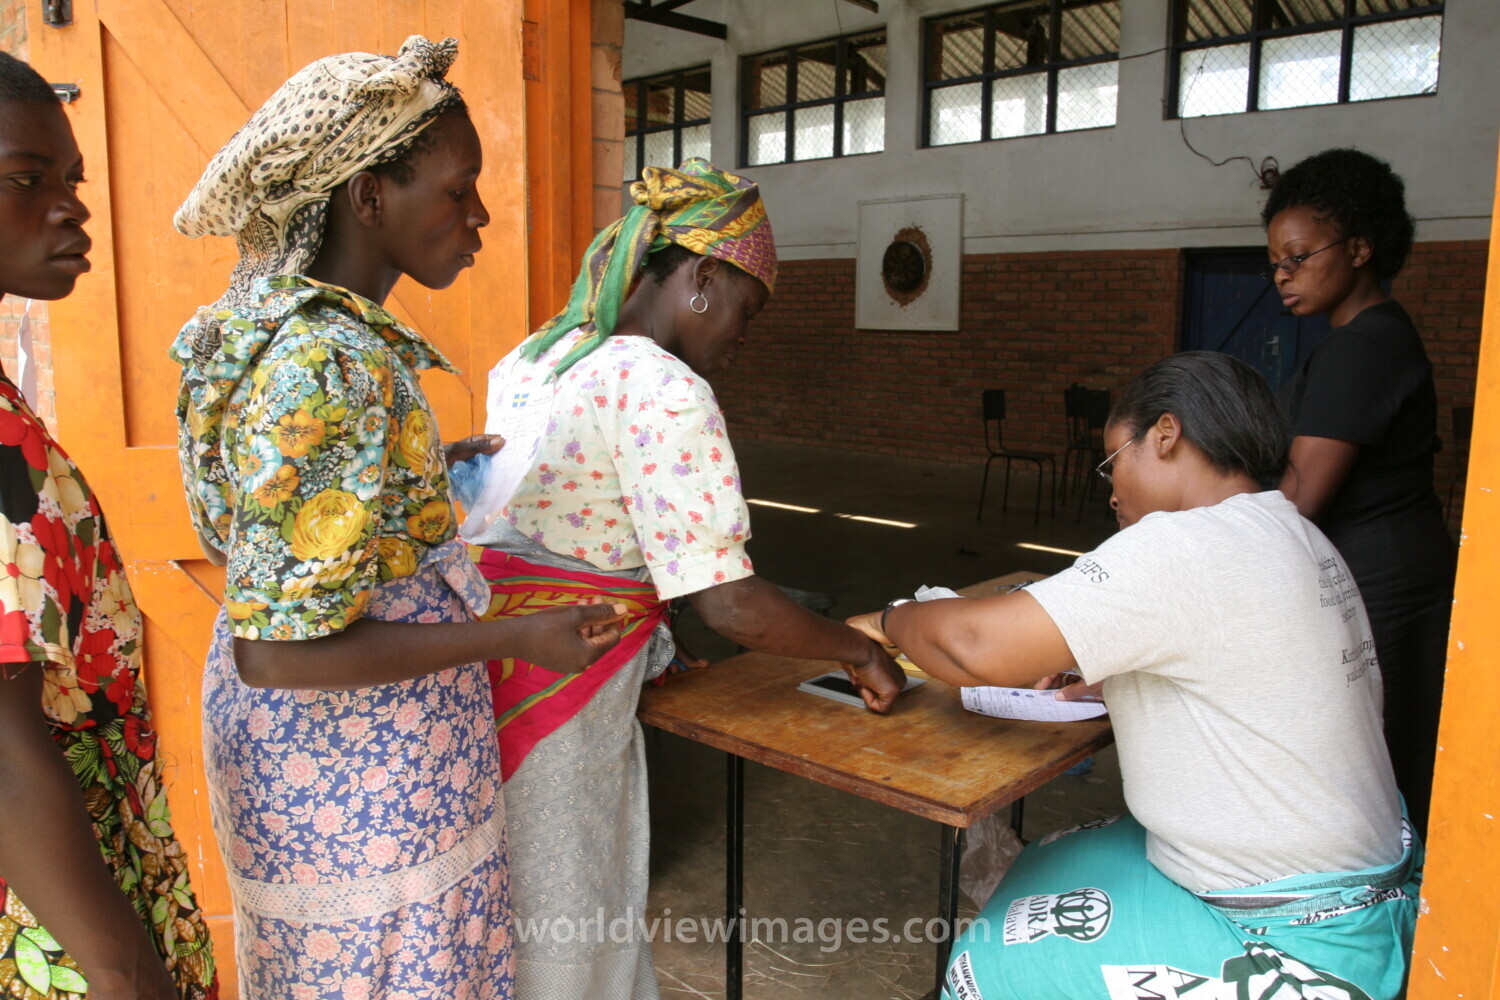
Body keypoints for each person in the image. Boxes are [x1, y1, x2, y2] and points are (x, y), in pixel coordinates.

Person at [171, 37, 624, 1000]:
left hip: (347, 766)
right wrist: (519, 634)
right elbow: (280, 652)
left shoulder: (295, 338)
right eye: (458, 190)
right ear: (368, 197)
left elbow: (293, 524)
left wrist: (437, 479)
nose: (480, 216)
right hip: (357, 773)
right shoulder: (325, 366)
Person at [451, 158, 906, 999]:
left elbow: (543, 526)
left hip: (489, 676)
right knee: (570, 914)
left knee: (502, 906)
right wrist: (857, 650)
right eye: (747, 308)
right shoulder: (662, 385)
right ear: (700, 277)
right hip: (566, 694)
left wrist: (654, 634)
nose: (744, 334)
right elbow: (729, 600)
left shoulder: (534, 357)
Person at [851, 352, 1417, 1000]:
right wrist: (1107, 668)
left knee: (983, 966)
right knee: (1037, 866)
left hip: (1290, 931)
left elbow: (976, 641)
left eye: (1113, 460)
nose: (1112, 490)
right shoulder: (1292, 532)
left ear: (1167, 435)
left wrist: (895, 618)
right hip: (1362, 882)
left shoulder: (1183, 544)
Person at [0, 53, 218, 1000]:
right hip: (49, 922)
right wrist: (129, 977)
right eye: (25, 178)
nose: (71, 206)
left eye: (72, 179)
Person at [1264, 147, 1455, 836]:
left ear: (1362, 247)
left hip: (1382, 586)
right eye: (1276, 263)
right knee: (1394, 754)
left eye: (1300, 256)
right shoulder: (1367, 336)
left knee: (1382, 770)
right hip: (1397, 567)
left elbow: (1302, 495)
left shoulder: (1361, 347)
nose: (1283, 275)